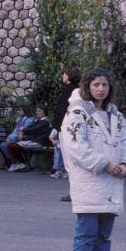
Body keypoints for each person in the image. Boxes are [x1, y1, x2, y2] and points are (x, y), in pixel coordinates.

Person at [59, 68, 126, 251]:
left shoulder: (116, 115)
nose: (101, 89)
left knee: (104, 236)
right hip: (90, 181)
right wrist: (103, 163)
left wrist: (125, 165)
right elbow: (75, 148)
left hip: (112, 183)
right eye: (96, 85)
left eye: (104, 85)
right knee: (86, 234)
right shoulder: (77, 113)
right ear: (87, 87)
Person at [51, 66, 81, 197]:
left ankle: (75, 192)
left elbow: (62, 110)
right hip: (67, 128)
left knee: (70, 162)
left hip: (66, 129)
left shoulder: (70, 90)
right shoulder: (75, 90)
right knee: (70, 162)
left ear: (69, 75)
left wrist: (56, 128)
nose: (62, 76)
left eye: (64, 73)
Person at [5, 105, 51, 172]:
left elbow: (33, 129)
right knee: (10, 145)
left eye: (39, 111)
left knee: (12, 145)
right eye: (36, 111)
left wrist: (22, 132)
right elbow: (29, 127)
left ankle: (21, 163)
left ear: (44, 113)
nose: (37, 112)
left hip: (39, 142)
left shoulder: (45, 122)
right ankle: (19, 163)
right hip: (32, 141)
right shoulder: (37, 120)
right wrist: (22, 132)